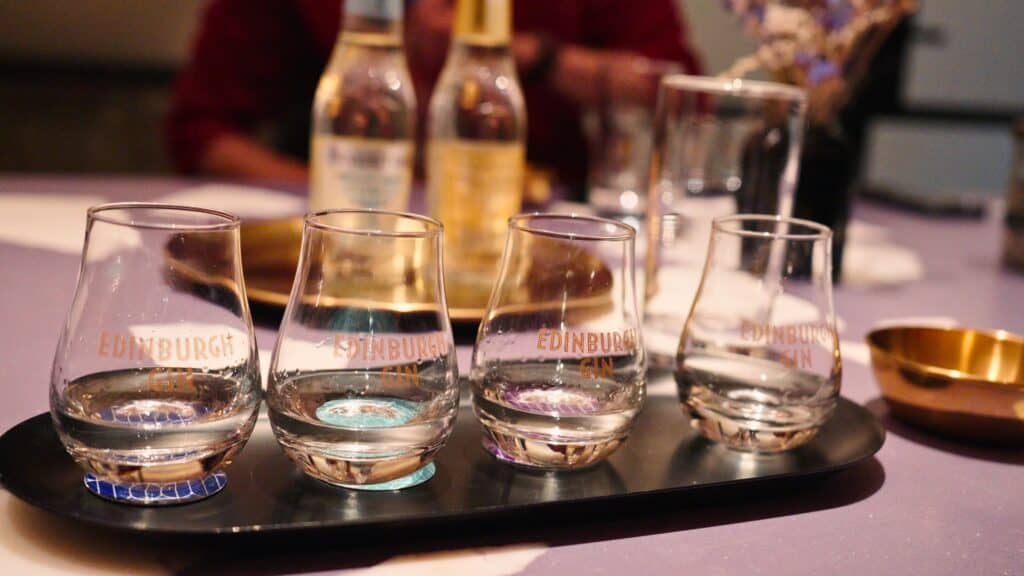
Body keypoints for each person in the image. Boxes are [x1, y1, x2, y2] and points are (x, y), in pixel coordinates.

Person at [165, 0, 702, 194]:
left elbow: (680, 98)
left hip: (535, 252)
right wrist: (347, 196)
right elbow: (200, 131)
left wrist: (526, 55)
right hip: (345, 250)